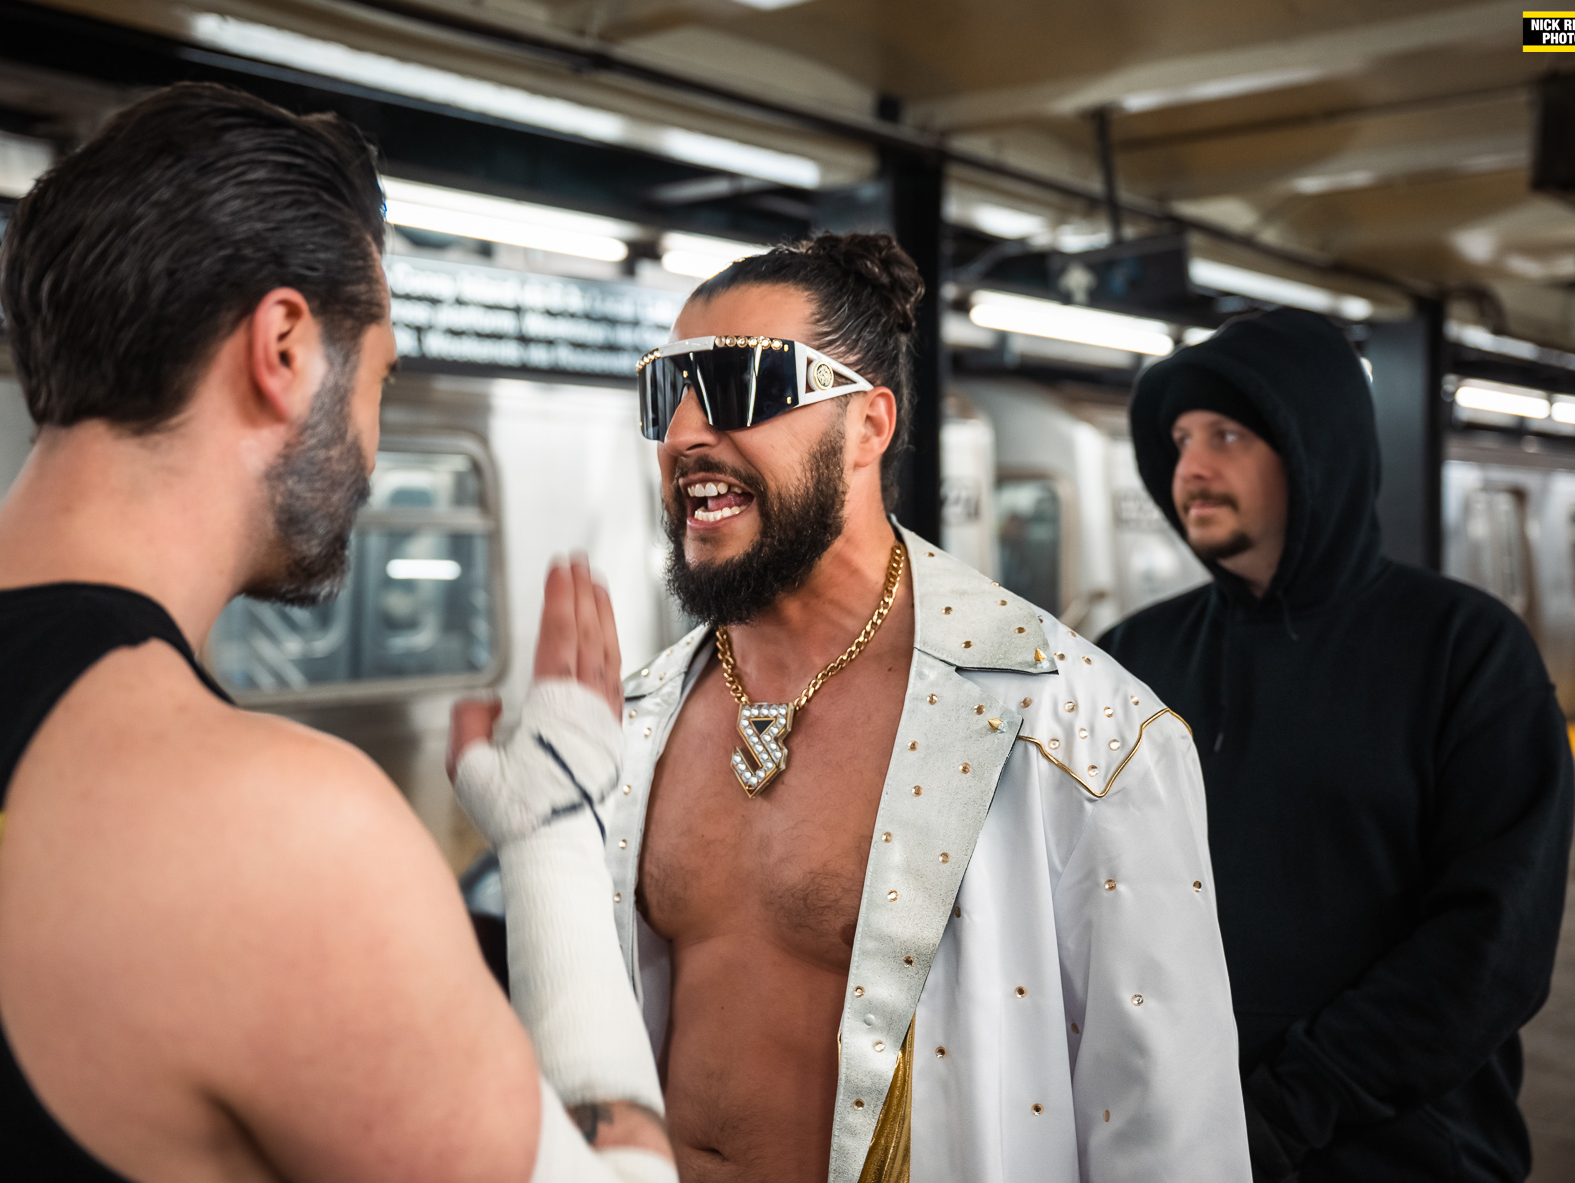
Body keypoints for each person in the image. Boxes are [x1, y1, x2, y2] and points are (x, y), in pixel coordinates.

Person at [0, 82, 672, 1182]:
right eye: (379, 377)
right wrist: (552, 836)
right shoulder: (282, 832)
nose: (374, 447)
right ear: (285, 348)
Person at [462, 233, 1250, 1183]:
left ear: (869, 426)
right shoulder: (627, 726)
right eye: (666, 392)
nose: (684, 434)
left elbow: (1170, 1132)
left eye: (743, 386)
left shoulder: (1083, 737)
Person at [1096, 309, 1575, 1183]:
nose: (1190, 468)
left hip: (1407, 1155)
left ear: (1313, 447)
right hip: (1169, 1148)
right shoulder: (1130, 659)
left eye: (1227, 436)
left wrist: (1285, 1110)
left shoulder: (1463, 651)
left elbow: (1491, 947)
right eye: (1181, 439)